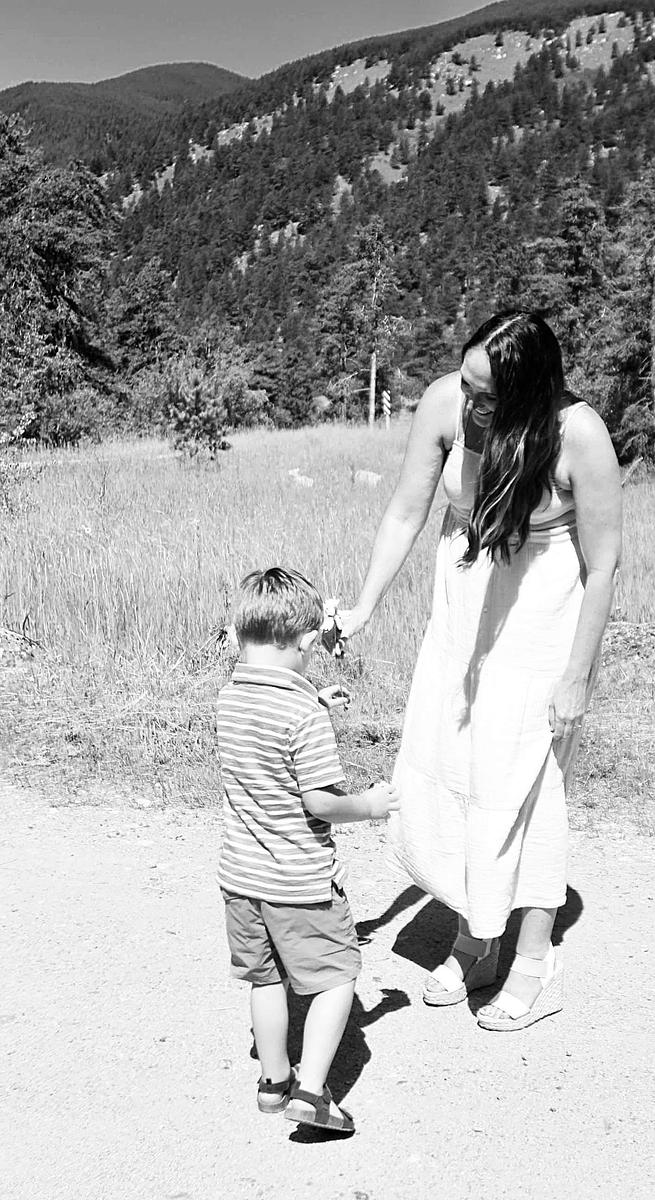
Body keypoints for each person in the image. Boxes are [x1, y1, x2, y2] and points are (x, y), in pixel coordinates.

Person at [340, 311, 622, 1032]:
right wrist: (364, 606)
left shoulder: (578, 435)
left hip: (540, 621)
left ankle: (534, 957)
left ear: (531, 391)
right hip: (463, 609)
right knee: (459, 770)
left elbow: (603, 564)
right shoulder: (444, 403)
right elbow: (405, 512)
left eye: (486, 394)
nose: (468, 401)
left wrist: (577, 676)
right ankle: (476, 937)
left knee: (525, 785)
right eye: (465, 383)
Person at [216, 566, 399, 1133]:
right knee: (338, 975)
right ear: (306, 641)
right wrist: (369, 805)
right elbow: (319, 802)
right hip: (299, 881)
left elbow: (266, 738)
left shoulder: (229, 698)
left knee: (265, 978)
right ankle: (312, 1093)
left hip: (240, 878)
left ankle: (273, 1081)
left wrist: (313, 697)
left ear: (240, 633)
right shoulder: (304, 717)